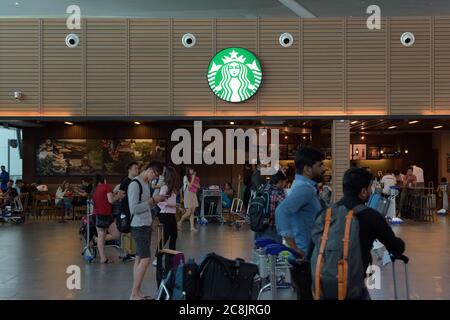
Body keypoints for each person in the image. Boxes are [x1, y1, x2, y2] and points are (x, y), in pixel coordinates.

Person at [311, 167, 405, 300]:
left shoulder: (325, 214)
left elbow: (312, 248)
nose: (371, 191)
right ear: (363, 192)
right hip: (353, 288)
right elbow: (396, 248)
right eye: (370, 188)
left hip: (323, 287)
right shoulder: (372, 217)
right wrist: (400, 245)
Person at [275, 147, 326, 258]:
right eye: (320, 165)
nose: (324, 169)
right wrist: (294, 247)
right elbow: (281, 211)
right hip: (306, 253)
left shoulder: (300, 185)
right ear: (307, 169)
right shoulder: (305, 189)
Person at [129, 160, 164, 300]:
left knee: (139, 258)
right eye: (155, 175)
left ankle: (136, 292)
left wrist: (154, 201)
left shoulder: (146, 184)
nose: (155, 179)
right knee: (145, 259)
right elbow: (134, 209)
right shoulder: (135, 184)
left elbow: (146, 205)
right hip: (139, 226)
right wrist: (152, 201)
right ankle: (134, 293)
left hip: (145, 225)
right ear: (149, 170)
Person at [92, 175, 122, 264]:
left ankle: (103, 258)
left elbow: (105, 198)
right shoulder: (106, 186)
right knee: (117, 234)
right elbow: (111, 201)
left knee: (101, 237)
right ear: (104, 180)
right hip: (106, 215)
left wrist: (114, 192)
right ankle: (97, 240)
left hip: (98, 215)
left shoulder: (95, 189)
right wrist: (118, 196)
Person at [256, 171, 288, 242]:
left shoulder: (263, 189)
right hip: (272, 227)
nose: (285, 185)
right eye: (285, 182)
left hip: (259, 224)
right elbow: (288, 207)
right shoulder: (277, 193)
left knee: (261, 249)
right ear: (280, 181)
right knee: (273, 250)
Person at [156, 166, 180, 254]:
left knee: (174, 235)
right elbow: (159, 201)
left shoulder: (172, 188)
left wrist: (176, 206)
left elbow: (171, 201)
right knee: (166, 236)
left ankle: (172, 255)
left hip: (171, 214)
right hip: (165, 214)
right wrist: (170, 205)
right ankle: (157, 256)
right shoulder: (165, 187)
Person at [178, 167, 200, 232]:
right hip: (188, 194)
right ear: (187, 171)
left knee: (192, 212)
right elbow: (190, 186)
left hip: (193, 194)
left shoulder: (194, 177)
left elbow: (198, 186)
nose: (192, 170)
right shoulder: (185, 177)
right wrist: (193, 178)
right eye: (191, 169)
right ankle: (179, 222)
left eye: (193, 169)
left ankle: (192, 227)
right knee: (188, 212)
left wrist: (193, 179)